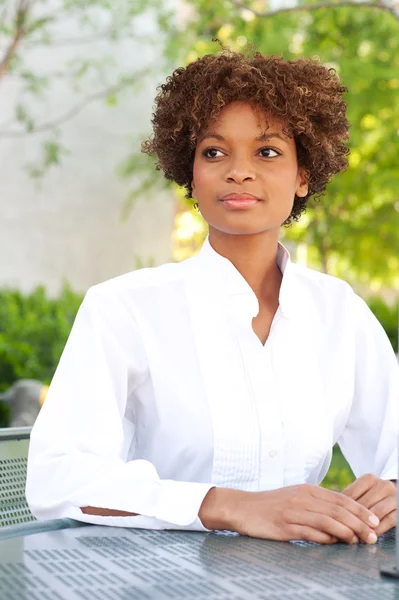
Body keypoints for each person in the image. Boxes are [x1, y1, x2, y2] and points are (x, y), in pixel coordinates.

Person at [26, 49, 398, 545]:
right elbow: (56, 479)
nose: (238, 172)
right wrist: (228, 506)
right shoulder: (123, 308)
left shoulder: (339, 312)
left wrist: (392, 490)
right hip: (157, 582)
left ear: (303, 175)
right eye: (214, 152)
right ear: (190, 174)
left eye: (267, 152)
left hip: (309, 583)